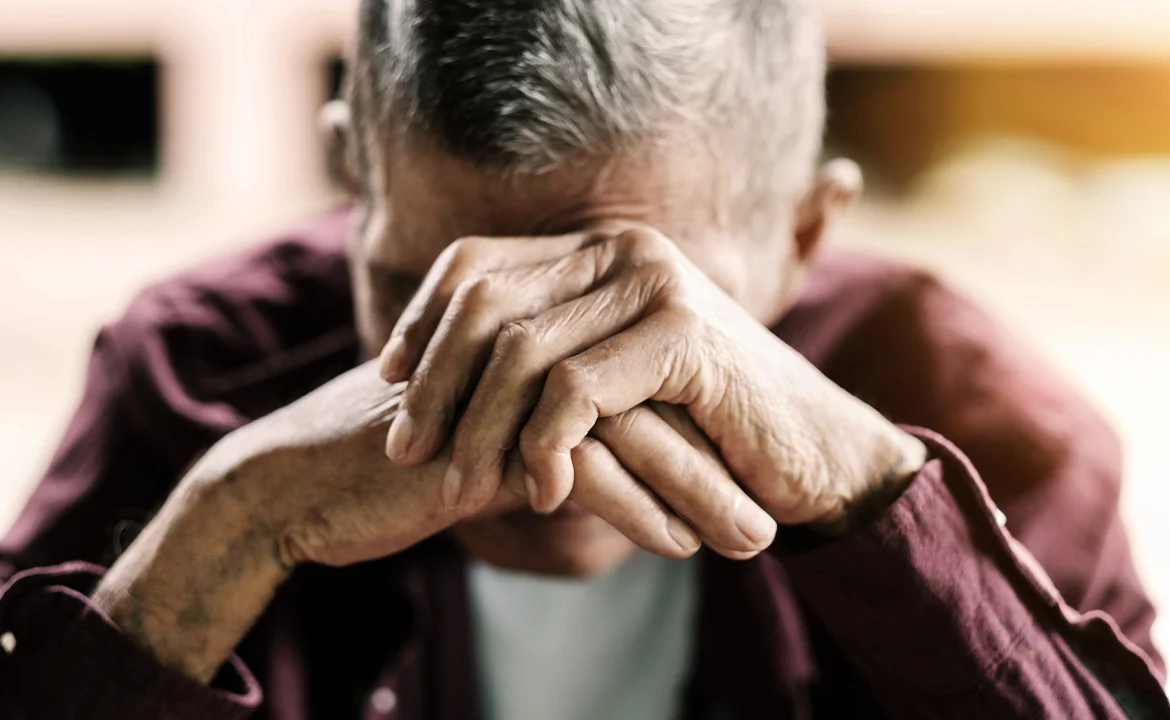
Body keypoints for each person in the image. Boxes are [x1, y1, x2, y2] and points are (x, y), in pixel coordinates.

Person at [0, 0, 1167, 717]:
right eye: (427, 304)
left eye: (633, 329)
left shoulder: (981, 418)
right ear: (351, 180)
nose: (538, 440)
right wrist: (228, 529)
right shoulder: (195, 376)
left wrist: (874, 505)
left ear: (805, 232)